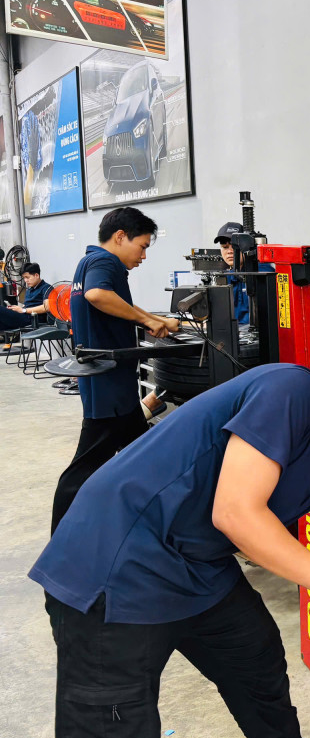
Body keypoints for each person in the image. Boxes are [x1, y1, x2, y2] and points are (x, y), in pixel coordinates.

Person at [29, 350, 310, 738]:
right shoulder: (292, 389)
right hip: (118, 557)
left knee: (256, 662)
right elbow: (235, 513)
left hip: (197, 566)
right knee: (113, 729)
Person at [50, 207, 181, 535]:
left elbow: (116, 303)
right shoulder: (105, 262)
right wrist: (148, 320)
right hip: (107, 386)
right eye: (143, 246)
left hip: (114, 384)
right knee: (84, 470)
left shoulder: (91, 261)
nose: (144, 256)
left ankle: (156, 528)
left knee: (145, 457)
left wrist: (156, 320)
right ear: (120, 236)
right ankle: (62, 540)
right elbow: (97, 295)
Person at [215, 221, 275, 325]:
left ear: (247, 246)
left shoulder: (262, 272)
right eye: (225, 247)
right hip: (235, 331)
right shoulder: (226, 277)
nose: (229, 251)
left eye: (234, 247)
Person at [0, 262, 52, 330]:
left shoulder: (47, 288)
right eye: (24, 278)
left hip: (34, 319)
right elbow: (26, 307)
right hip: (24, 317)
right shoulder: (29, 290)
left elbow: (47, 307)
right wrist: (17, 309)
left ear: (36, 275)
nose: (25, 280)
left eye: (27, 277)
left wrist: (24, 310)